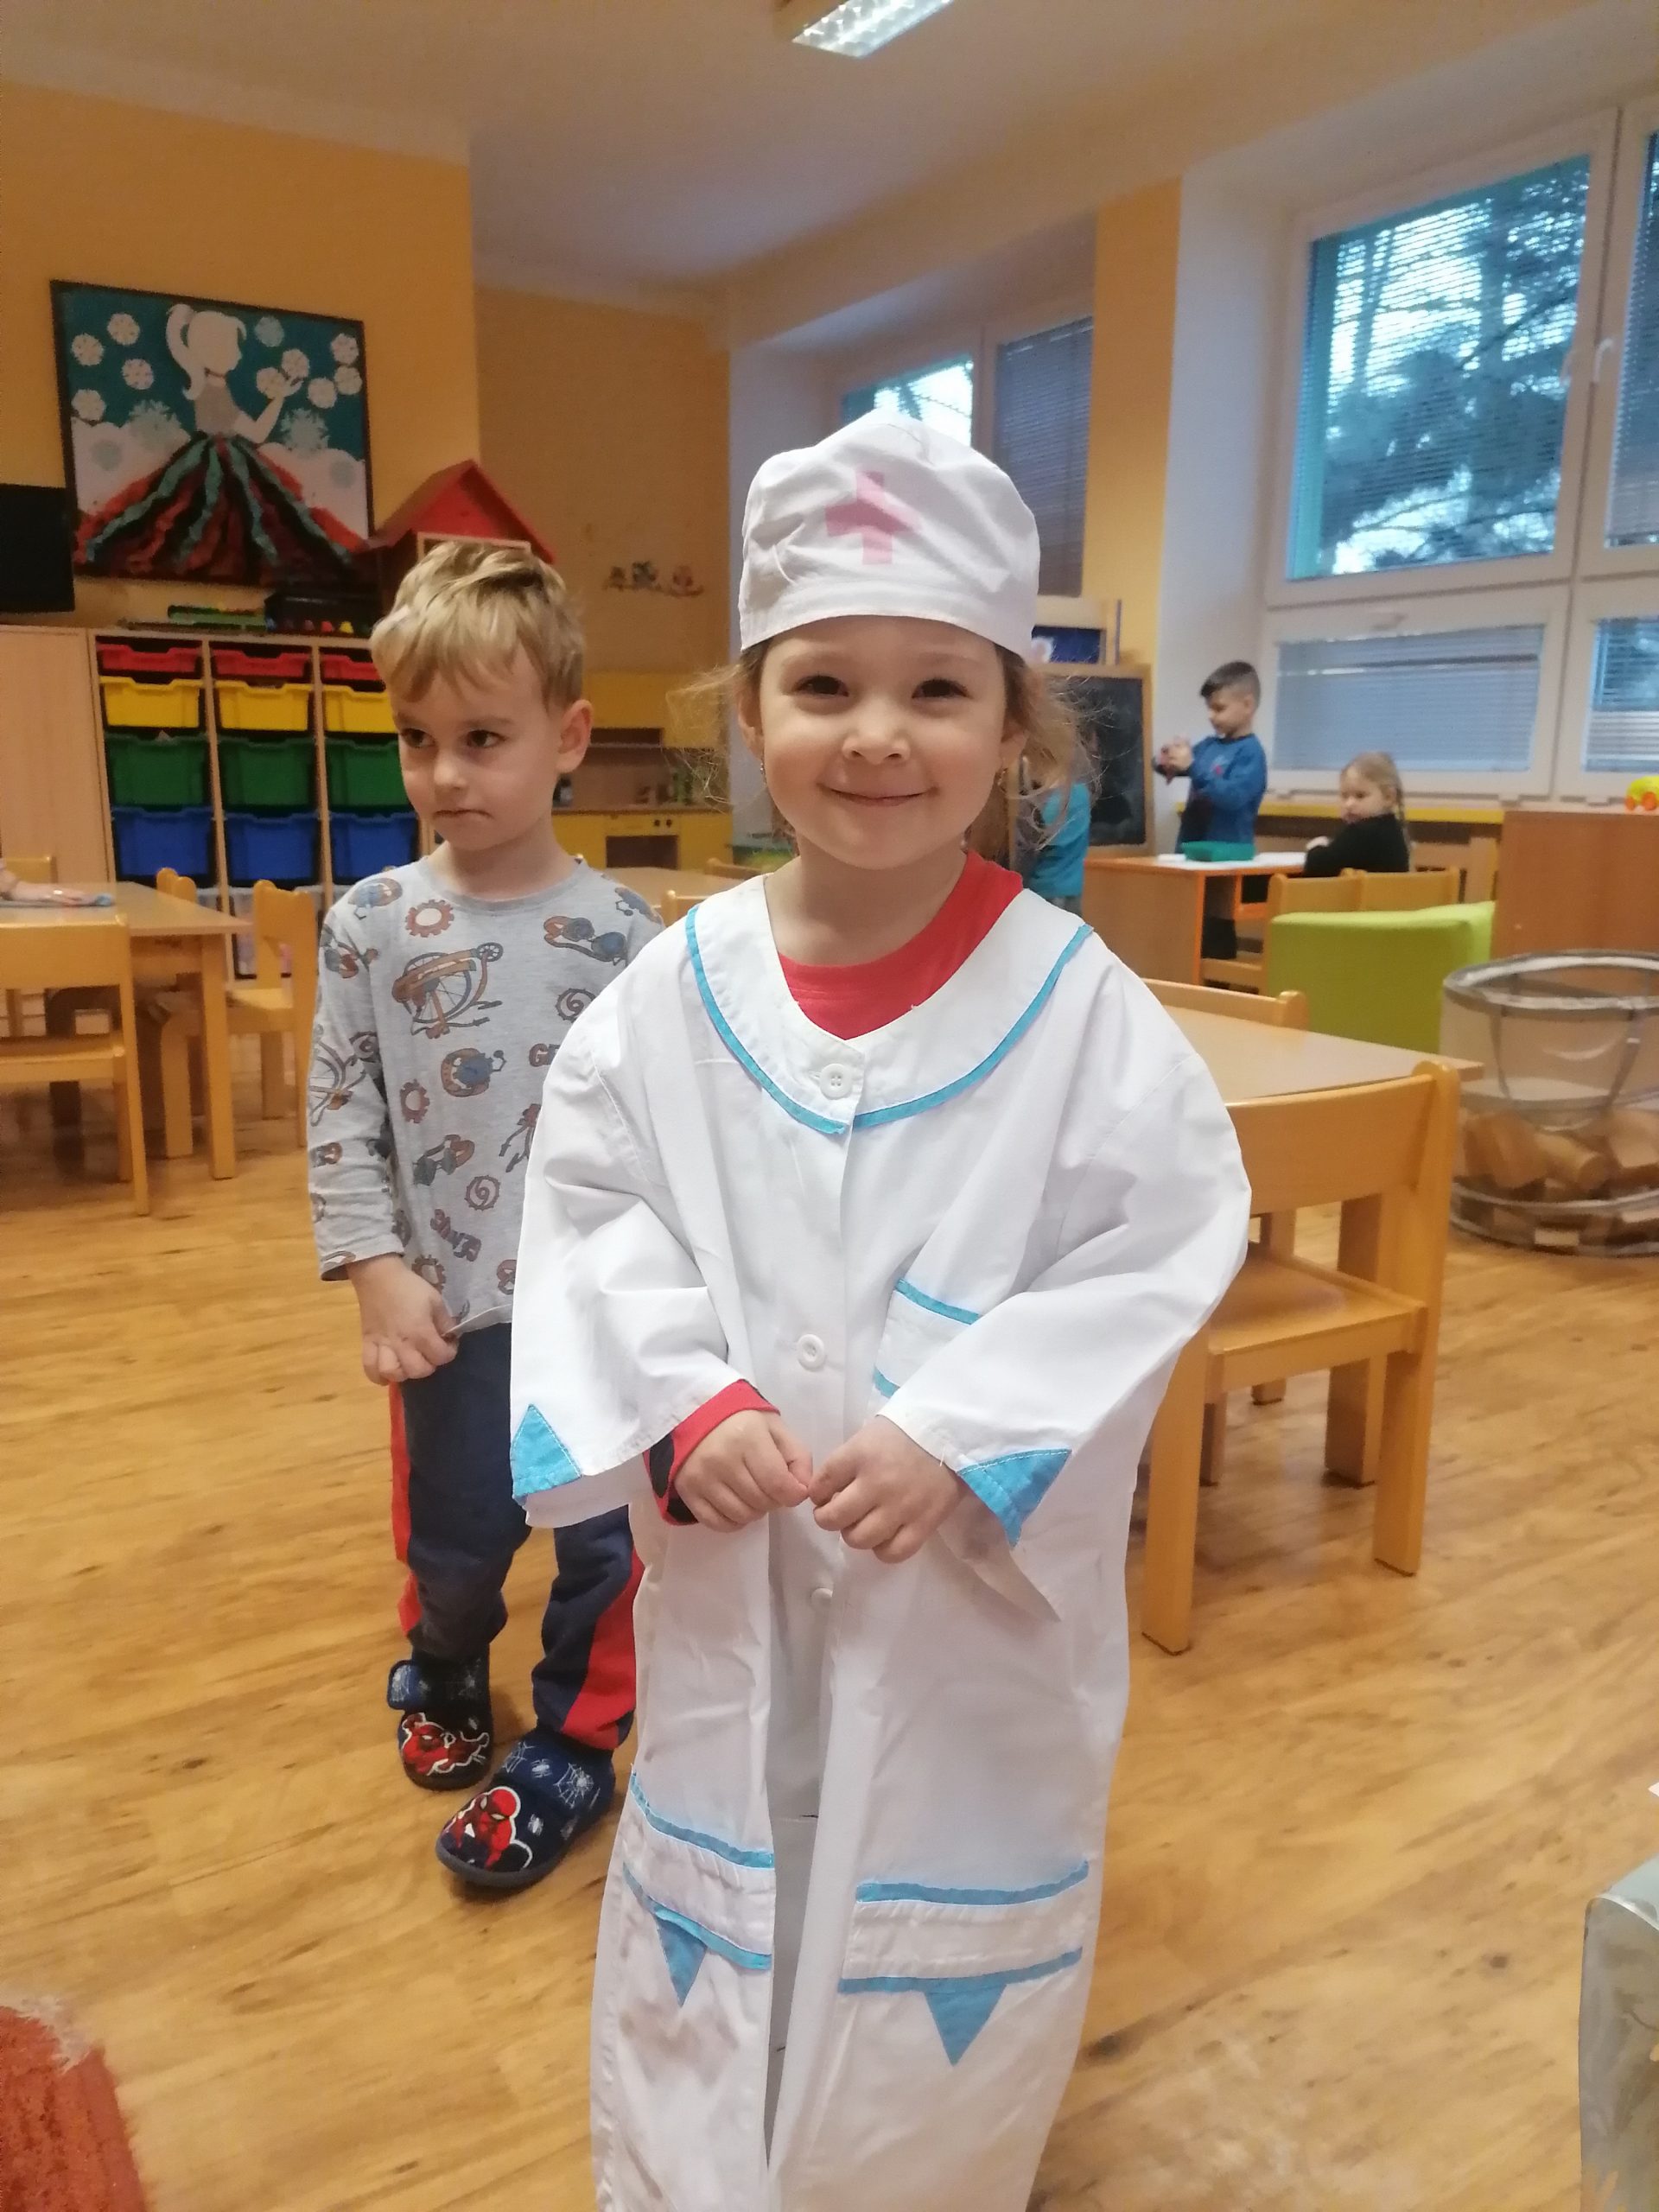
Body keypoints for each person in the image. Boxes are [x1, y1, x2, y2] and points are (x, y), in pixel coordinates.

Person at [507, 416, 1251, 2209]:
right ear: (750, 715)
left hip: (958, 1618)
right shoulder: (671, 995)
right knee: (732, 1895)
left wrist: (963, 1430)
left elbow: (1164, 1234)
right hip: (738, 1571)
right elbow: (594, 1210)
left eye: (938, 688)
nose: (879, 734)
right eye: (825, 683)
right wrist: (684, 1401)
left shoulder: (1079, 1008)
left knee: (924, 1971)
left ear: (1014, 732)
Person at [306, 540, 658, 1893]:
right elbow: (341, 1109)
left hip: (599, 1319)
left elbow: (662, 1126)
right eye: (417, 739)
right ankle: (447, 1658)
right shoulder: (370, 926)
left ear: (568, 737)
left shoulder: (627, 934)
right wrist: (372, 1267)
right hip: (449, 1316)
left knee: (605, 1545)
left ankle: (577, 1732)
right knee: (456, 1542)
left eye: (484, 739)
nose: (445, 773)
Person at [1154, 660, 1268, 852]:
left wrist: (1191, 766)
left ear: (1247, 705)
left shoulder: (1251, 753)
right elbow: (1179, 766)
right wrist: (1166, 760)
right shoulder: (1208, 746)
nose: (1210, 715)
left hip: (1227, 857)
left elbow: (1232, 797)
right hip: (1189, 853)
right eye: (1208, 707)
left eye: (1219, 708)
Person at [1302, 750, 1411, 877]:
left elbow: (1319, 867)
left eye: (1360, 796)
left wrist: (1315, 849)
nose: (1349, 804)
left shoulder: (1360, 833)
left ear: (1388, 797)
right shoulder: (1395, 831)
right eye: (1344, 796)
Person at [1016, 761, 1091, 913]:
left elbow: (1045, 840)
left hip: (1048, 887)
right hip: (1069, 885)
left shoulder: (1066, 798)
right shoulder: (1080, 794)